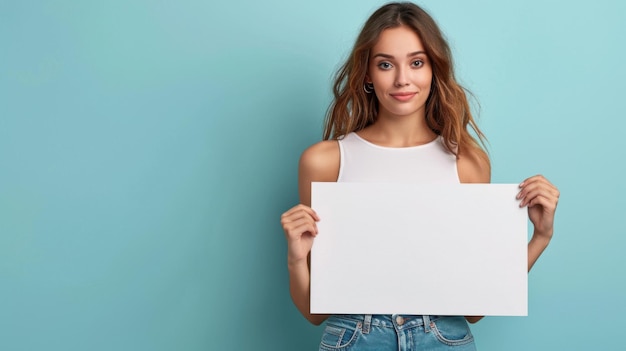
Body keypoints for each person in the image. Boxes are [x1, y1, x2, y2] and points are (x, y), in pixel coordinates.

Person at [280, 2, 560, 350]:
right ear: (367, 73)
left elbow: (474, 308)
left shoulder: (467, 162)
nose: (402, 79)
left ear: (433, 69)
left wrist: (540, 238)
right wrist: (295, 256)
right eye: (385, 64)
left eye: (416, 62)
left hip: (443, 337)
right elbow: (314, 312)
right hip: (355, 337)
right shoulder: (323, 161)